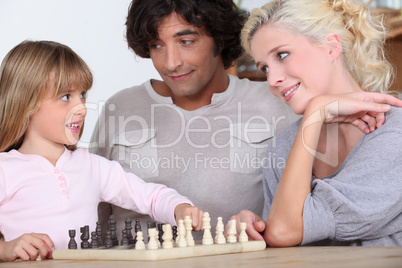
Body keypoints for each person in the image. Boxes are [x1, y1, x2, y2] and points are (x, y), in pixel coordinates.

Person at [90, 0, 299, 240]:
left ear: (219, 40)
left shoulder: (274, 105)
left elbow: (305, 213)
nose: (171, 63)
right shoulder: (121, 108)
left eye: (186, 42)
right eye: (157, 45)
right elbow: (92, 209)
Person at [0, 40, 203, 262]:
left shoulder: (91, 166)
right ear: (26, 102)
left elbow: (149, 196)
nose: (82, 108)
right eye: (66, 97)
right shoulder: (5, 170)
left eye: (83, 95)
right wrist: (5, 249)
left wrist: (178, 207)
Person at [229, 0, 402, 246]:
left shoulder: (394, 134)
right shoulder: (284, 144)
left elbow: (286, 232)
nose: (273, 79)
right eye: (265, 68)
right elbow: (280, 237)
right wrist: (257, 228)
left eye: (282, 54)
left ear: (331, 47)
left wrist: (314, 113)